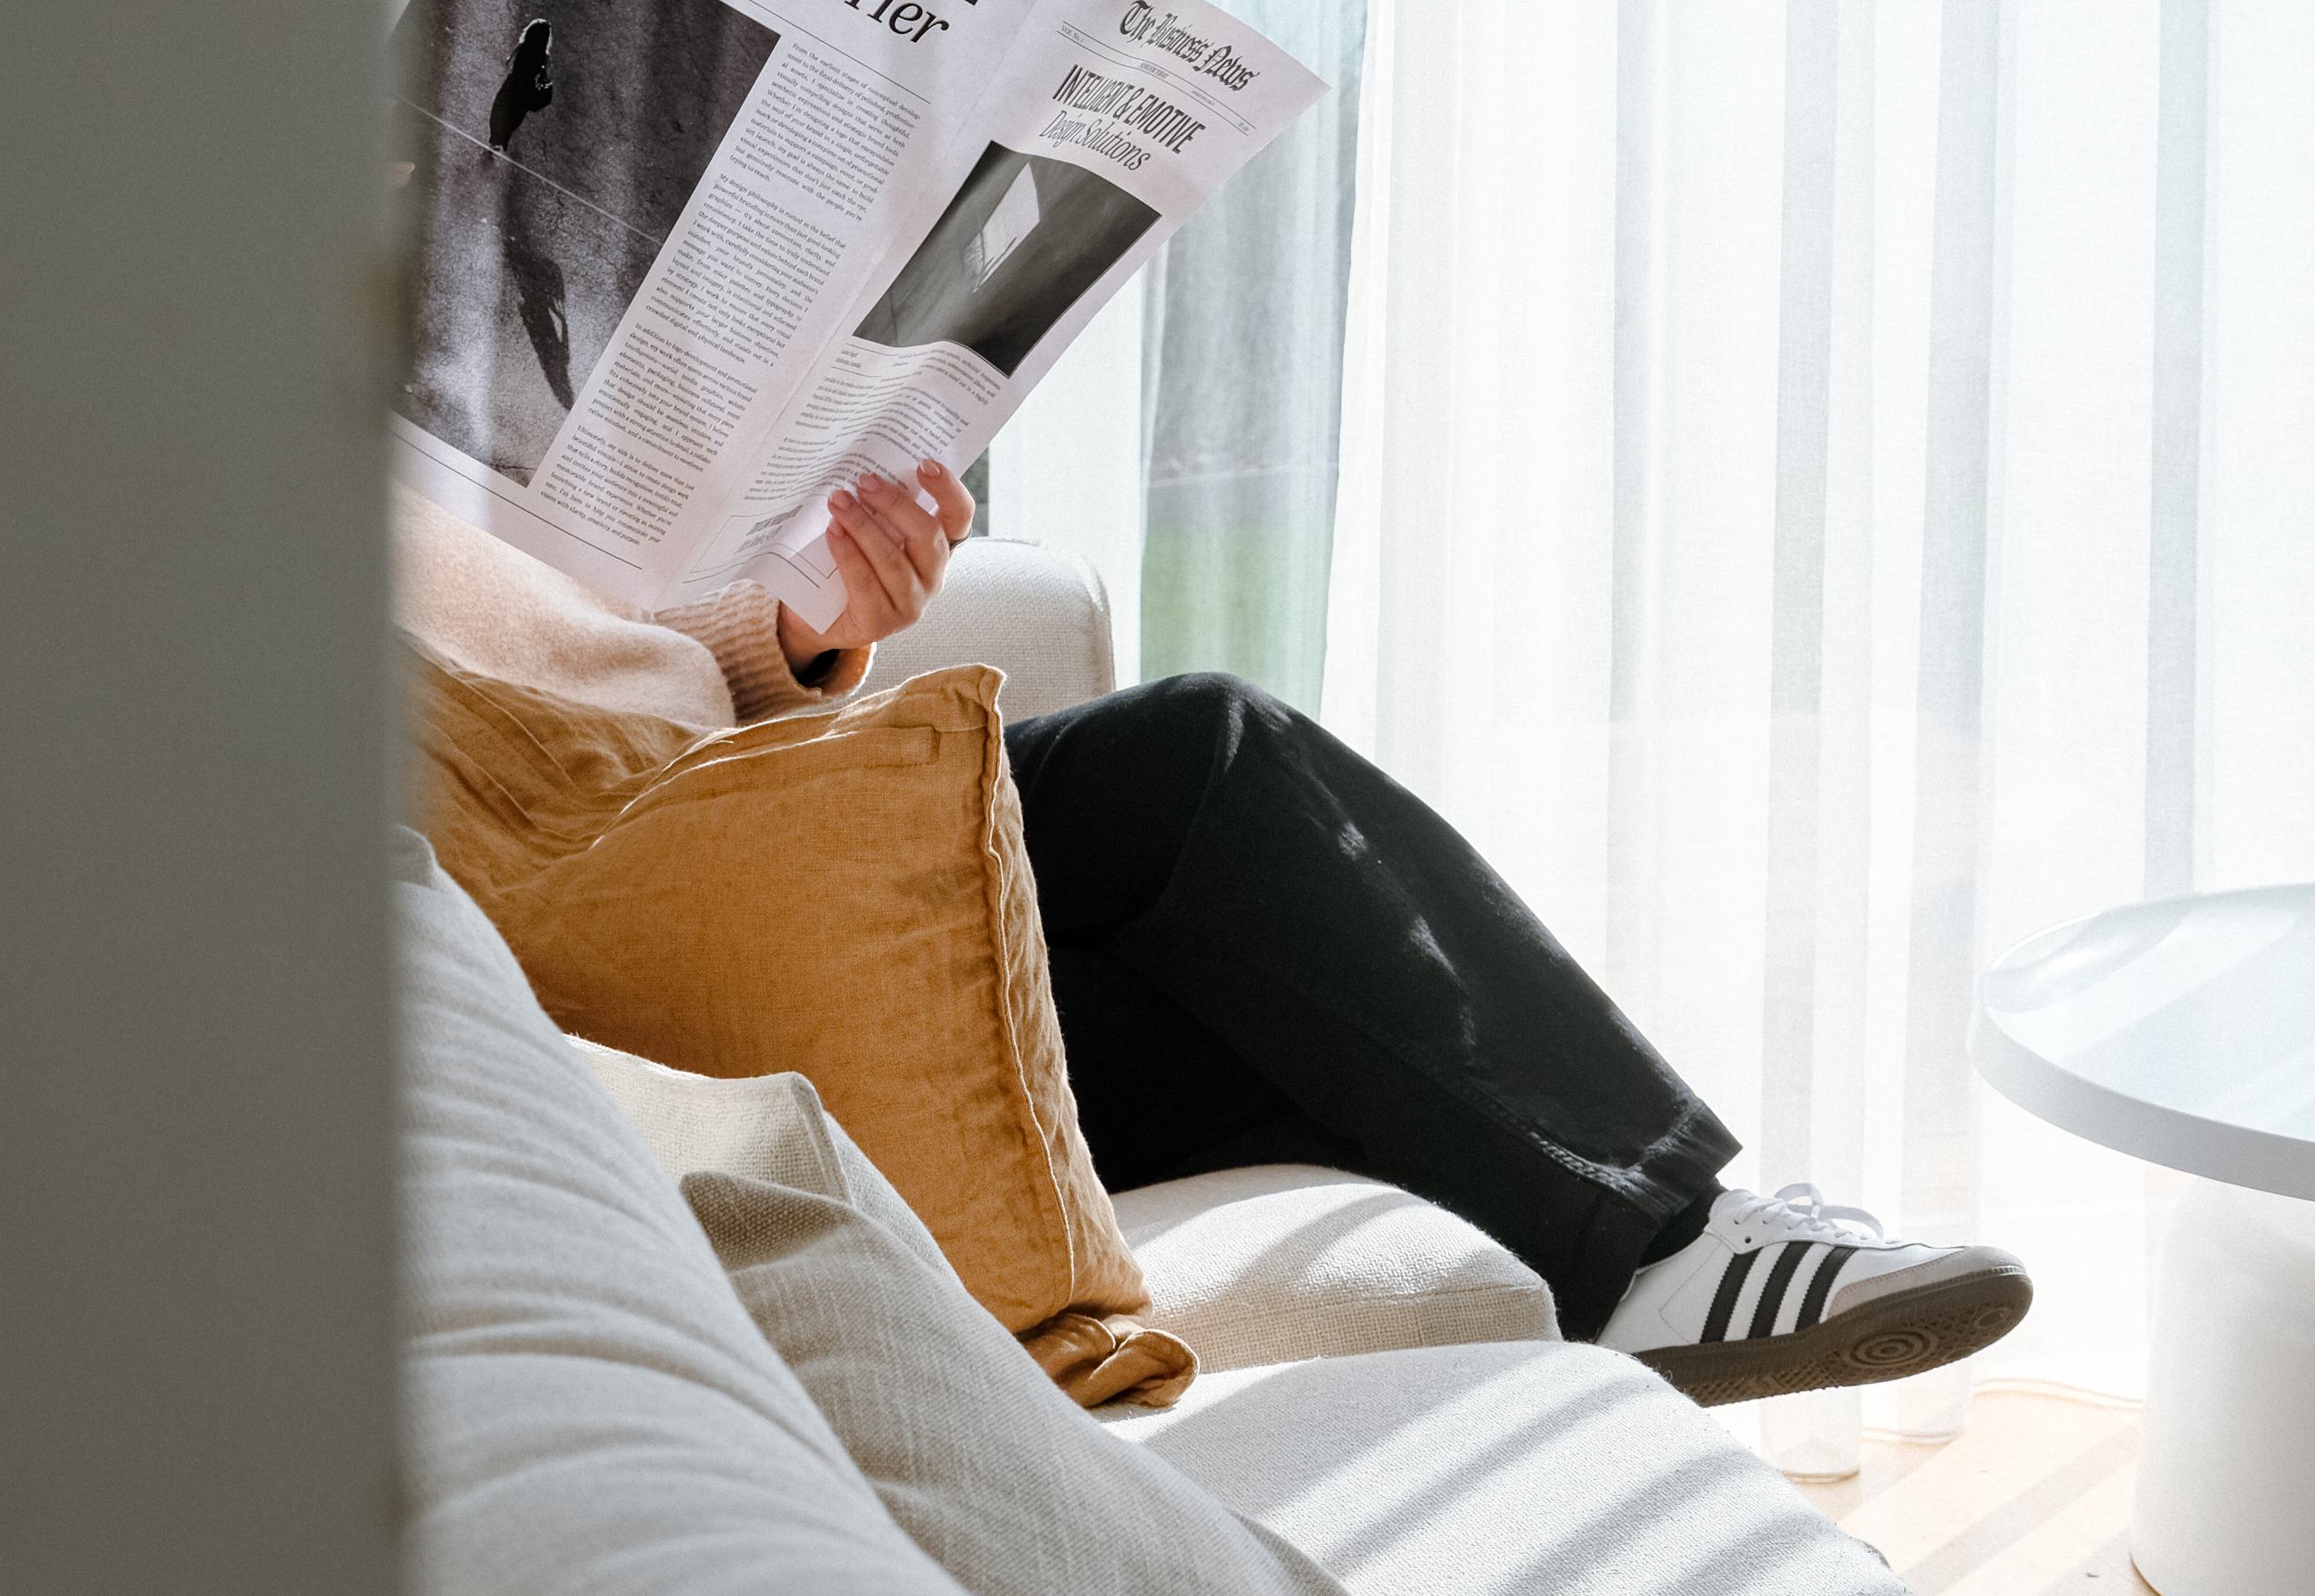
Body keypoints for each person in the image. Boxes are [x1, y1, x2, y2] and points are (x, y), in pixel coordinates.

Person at [743, 455, 2032, 1407]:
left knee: (1221, 858)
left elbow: (646, 627)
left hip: (717, 799)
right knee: (1205, 825)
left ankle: (1643, 1253)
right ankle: (1655, 1249)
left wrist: (800, 617)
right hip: (608, 870)